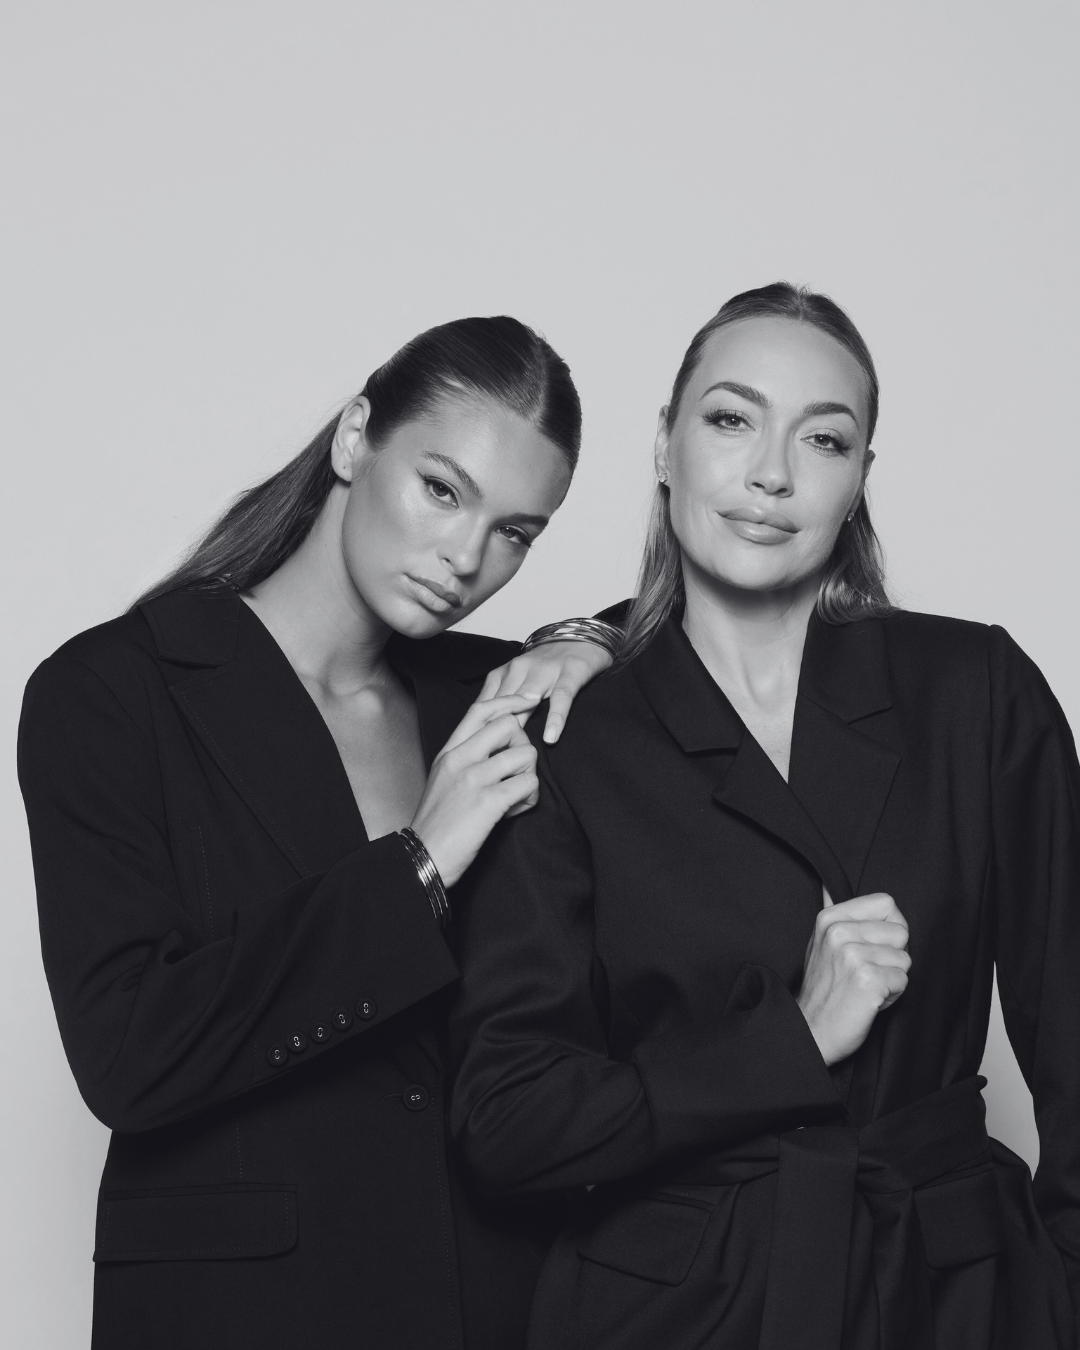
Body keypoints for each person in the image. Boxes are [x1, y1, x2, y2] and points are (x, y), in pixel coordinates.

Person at [449, 284, 1080, 1350]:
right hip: (680, 1307)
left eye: (823, 439)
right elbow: (509, 1122)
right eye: (732, 419)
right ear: (665, 444)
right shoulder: (565, 733)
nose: (772, 474)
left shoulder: (974, 692)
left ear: (861, 476)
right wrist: (790, 1039)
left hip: (955, 1293)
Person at [17, 315, 622, 1350]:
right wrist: (420, 865)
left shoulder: (491, 696)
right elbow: (127, 1053)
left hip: (490, 1303)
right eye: (443, 490)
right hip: (244, 1311)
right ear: (353, 439)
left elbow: (712, 625)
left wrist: (589, 636)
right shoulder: (113, 693)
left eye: (516, 533)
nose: (466, 556)